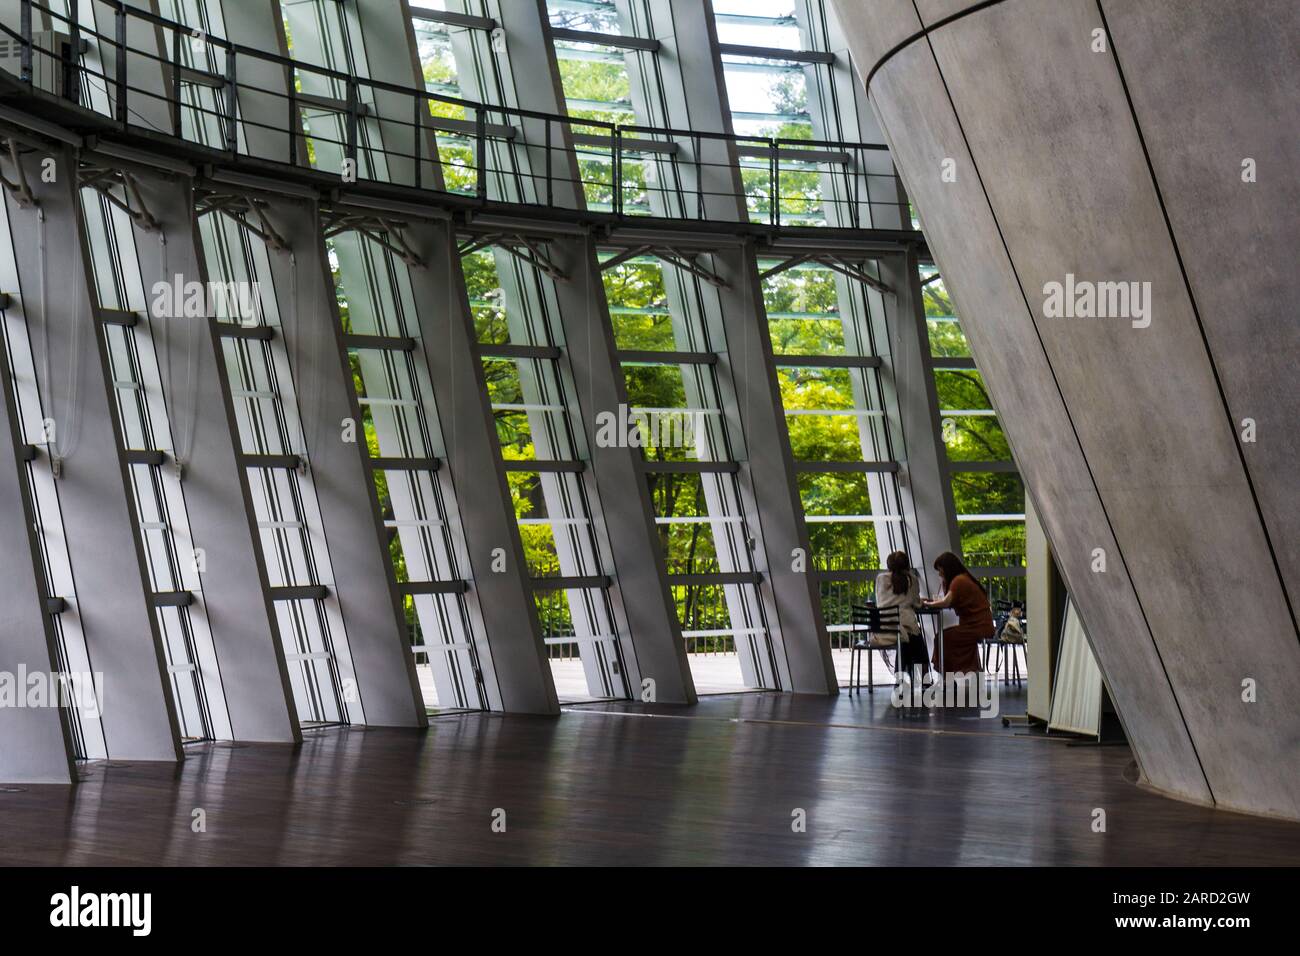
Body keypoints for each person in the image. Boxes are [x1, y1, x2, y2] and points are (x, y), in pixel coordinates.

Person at [922, 551, 994, 674]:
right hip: (980, 625)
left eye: (940, 570)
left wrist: (926, 604)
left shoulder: (959, 581)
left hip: (976, 627)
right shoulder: (963, 578)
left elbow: (945, 602)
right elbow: (946, 600)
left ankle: (948, 673)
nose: (939, 574)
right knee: (945, 637)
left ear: (947, 569)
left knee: (942, 639)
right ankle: (959, 671)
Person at [874, 551, 930, 681]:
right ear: (907, 565)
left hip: (883, 630)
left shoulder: (881, 579)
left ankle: (901, 680)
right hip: (904, 630)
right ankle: (925, 679)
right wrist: (923, 602)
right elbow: (916, 603)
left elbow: (880, 601)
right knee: (913, 639)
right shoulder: (912, 580)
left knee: (904, 640)